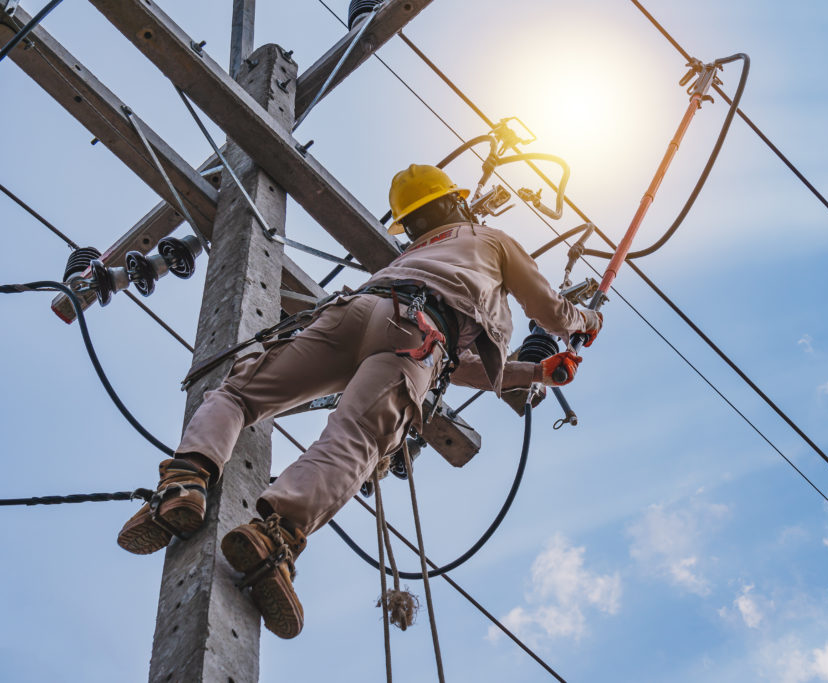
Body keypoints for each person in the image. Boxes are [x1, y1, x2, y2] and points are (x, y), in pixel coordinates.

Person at [116, 164, 602, 638]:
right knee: (357, 438)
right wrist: (587, 321)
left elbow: (461, 369)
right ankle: (273, 536)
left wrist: (534, 372)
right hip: (421, 332)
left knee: (241, 394)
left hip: (355, 311)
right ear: (456, 201)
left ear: (410, 224)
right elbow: (549, 311)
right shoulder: (490, 240)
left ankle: (185, 479)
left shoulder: (411, 256)